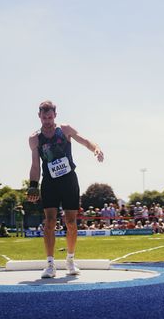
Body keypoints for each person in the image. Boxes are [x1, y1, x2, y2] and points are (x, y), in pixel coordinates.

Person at [26, 100, 104, 278]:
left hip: (69, 180)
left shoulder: (65, 129)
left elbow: (84, 141)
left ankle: (70, 260)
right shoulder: (35, 138)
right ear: (39, 116)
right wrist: (32, 186)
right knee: (50, 222)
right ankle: (50, 264)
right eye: (44, 117)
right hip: (49, 182)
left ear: (55, 115)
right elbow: (35, 165)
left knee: (70, 222)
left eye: (50, 116)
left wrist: (96, 149)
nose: (47, 120)